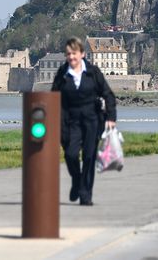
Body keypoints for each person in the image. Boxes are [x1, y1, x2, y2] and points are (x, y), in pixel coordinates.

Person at [51, 37, 116, 206]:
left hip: (91, 119)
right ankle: (76, 180)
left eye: (74, 54)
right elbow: (53, 98)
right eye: (68, 54)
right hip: (69, 119)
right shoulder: (62, 73)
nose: (71, 57)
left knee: (89, 156)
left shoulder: (93, 72)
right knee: (71, 154)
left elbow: (108, 94)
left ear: (82, 54)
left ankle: (85, 194)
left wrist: (111, 117)